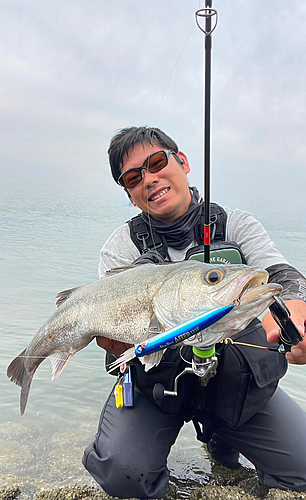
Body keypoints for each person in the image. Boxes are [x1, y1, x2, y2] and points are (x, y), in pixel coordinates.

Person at [82, 126, 306, 498]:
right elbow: (113, 338)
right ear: (129, 195)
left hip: (237, 386)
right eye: (134, 177)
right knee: (122, 473)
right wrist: (109, 341)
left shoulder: (236, 224)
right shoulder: (119, 249)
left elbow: (282, 276)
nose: (149, 179)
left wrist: (293, 316)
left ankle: (223, 441)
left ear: (183, 162)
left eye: (156, 162)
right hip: (158, 389)